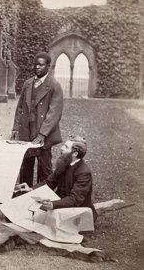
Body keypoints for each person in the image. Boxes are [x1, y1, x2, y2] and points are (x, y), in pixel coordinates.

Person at [12, 52, 63, 187]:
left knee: (44, 168)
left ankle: (43, 197)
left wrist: (42, 134)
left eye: (40, 65)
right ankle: (23, 197)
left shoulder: (54, 85)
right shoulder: (28, 84)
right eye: (35, 64)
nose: (37, 67)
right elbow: (20, 108)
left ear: (48, 67)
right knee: (25, 167)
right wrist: (16, 128)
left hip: (43, 133)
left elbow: (54, 113)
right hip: (26, 131)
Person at [19, 135, 97, 222]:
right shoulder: (64, 162)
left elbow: (74, 199)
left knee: (38, 221)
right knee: (28, 211)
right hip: (61, 203)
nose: (61, 148)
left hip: (78, 210)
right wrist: (31, 189)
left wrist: (53, 204)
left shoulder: (84, 173)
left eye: (66, 147)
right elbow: (49, 183)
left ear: (75, 154)